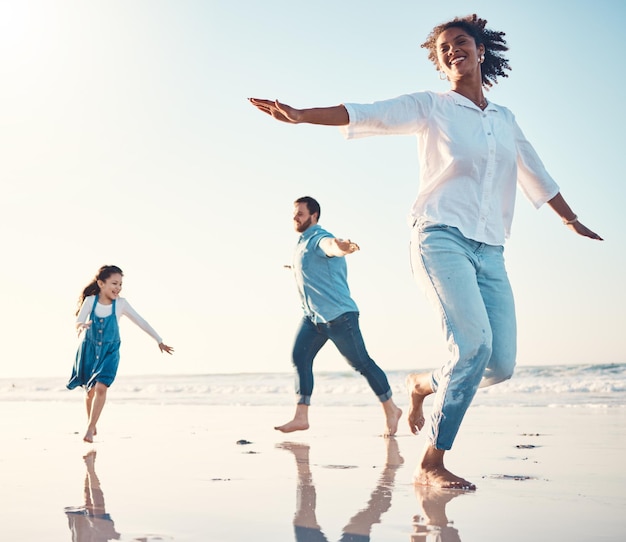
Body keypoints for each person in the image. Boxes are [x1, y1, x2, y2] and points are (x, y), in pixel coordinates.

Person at [249, 14, 603, 490]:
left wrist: (570, 218)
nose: (452, 51)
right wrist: (302, 114)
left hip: (491, 249)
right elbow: (369, 111)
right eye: (443, 49)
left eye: (461, 43)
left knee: (498, 365)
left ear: (481, 51)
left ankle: (421, 384)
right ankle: (432, 461)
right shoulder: (431, 107)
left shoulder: (504, 119)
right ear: (440, 64)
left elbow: (533, 169)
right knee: (472, 346)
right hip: (439, 238)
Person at [279, 196, 402, 437]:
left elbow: (331, 247)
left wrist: (342, 247)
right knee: (299, 357)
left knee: (362, 364)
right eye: (294, 213)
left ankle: (391, 409)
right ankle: (301, 417)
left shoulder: (318, 238)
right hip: (313, 319)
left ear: (314, 216)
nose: (295, 217)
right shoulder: (301, 243)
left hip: (339, 317)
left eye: (300, 213)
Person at [67, 265, 174, 442]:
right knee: (90, 391)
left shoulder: (121, 304)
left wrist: (159, 340)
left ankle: (90, 428)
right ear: (101, 283)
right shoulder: (90, 301)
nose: (118, 288)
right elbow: (78, 321)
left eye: (120, 284)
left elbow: (141, 321)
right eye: (114, 283)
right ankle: (91, 423)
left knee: (101, 387)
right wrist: (81, 326)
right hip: (89, 350)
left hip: (110, 351)